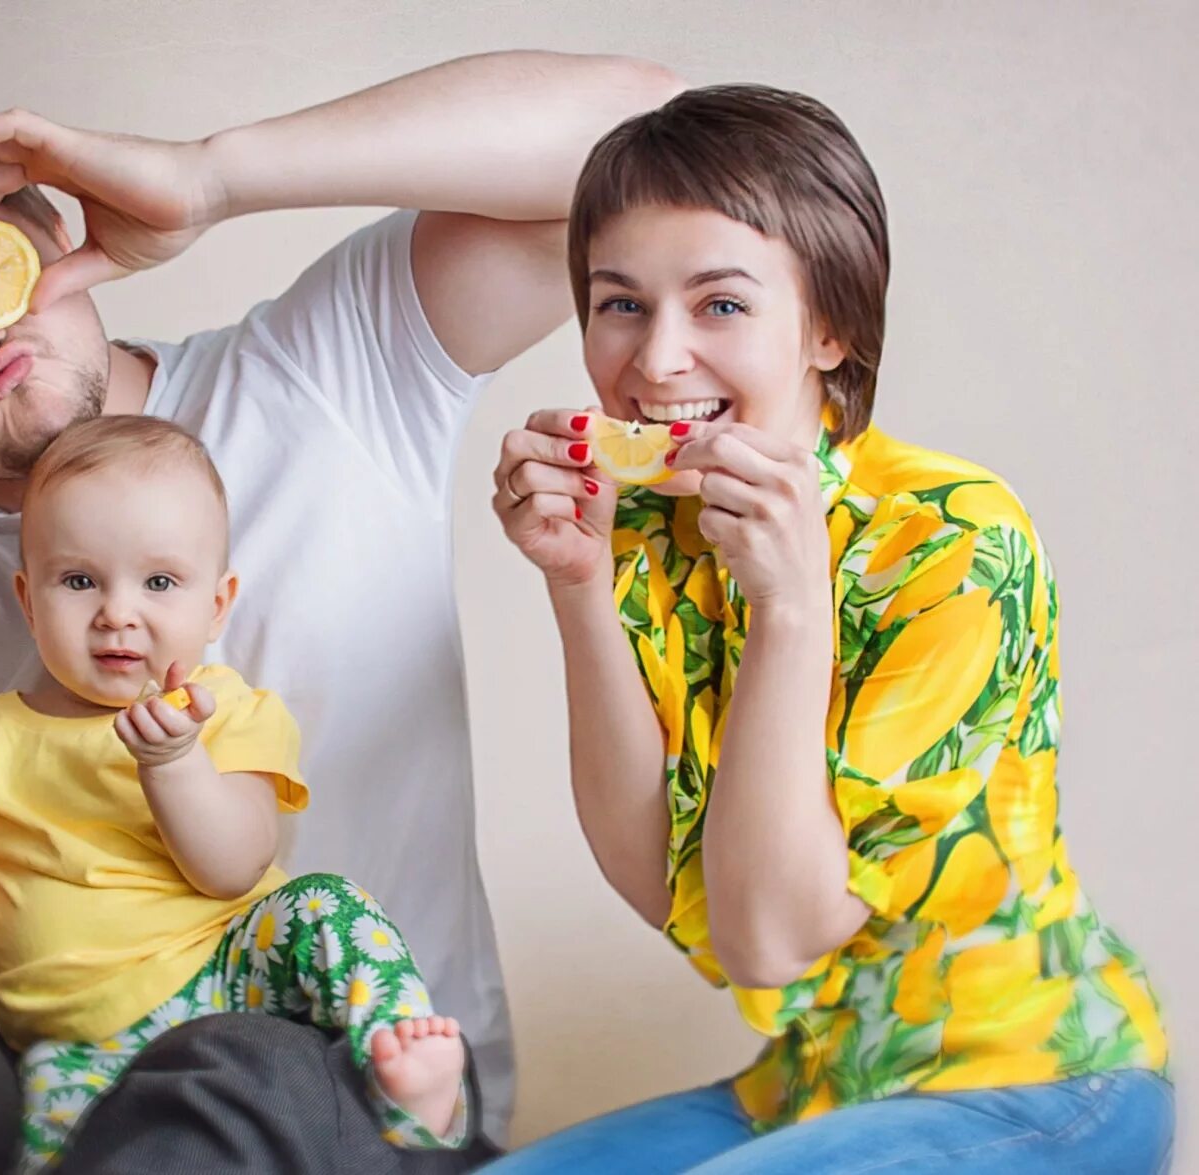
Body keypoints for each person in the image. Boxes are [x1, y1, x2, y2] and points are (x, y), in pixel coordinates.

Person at [0, 50, 683, 1172]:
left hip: (353, 1070)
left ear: (50, 233)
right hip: (58, 1070)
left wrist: (210, 176)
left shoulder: (331, 368)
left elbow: (653, 129)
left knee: (240, 1065)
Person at [486, 85, 1173, 1172]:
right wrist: (575, 581)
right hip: (809, 1086)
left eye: (719, 305)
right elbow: (659, 883)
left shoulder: (953, 540)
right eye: (620, 303)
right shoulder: (649, 536)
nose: (657, 359)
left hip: (1042, 1080)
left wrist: (791, 607)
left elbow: (771, 933)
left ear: (829, 326)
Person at [0, 414, 473, 1170]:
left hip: (226, 971)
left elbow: (233, 865)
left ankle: (403, 1066)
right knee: (39, 1151)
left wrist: (174, 759)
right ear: (29, 601)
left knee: (328, 903)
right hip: (62, 1038)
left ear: (217, 604)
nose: (117, 612)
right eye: (79, 580)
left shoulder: (226, 711)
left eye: (159, 582)